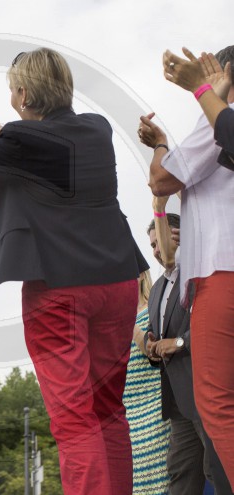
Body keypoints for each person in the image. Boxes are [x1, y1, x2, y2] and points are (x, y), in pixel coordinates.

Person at [0, 47, 148, 495]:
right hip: (119, 282)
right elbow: (44, 145)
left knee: (74, 419)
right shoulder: (97, 129)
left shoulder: (18, 145)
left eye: (13, 89)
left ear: (23, 93)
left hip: (59, 289)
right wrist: (1, 127)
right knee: (108, 411)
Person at [138, 44, 234, 490]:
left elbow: (161, 178)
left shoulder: (217, 127)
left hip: (222, 273)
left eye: (213, 68)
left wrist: (159, 143)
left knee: (218, 405)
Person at [144, 200, 232, 495]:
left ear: (179, 235)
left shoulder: (204, 272)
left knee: (218, 470)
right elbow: (157, 333)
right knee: (181, 476)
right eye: (153, 246)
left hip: (210, 391)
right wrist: (151, 344)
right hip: (179, 402)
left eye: (160, 241)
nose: (156, 251)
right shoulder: (156, 289)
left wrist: (179, 343)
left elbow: (218, 323)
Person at [122, 268, 171, 494]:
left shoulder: (154, 309)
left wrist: (127, 323)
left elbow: (157, 353)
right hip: (127, 421)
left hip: (156, 416)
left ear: (140, 274)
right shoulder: (111, 323)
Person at [161, 46, 234, 169]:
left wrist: (159, 144)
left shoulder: (217, 117)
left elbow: (161, 181)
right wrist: (218, 100)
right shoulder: (221, 115)